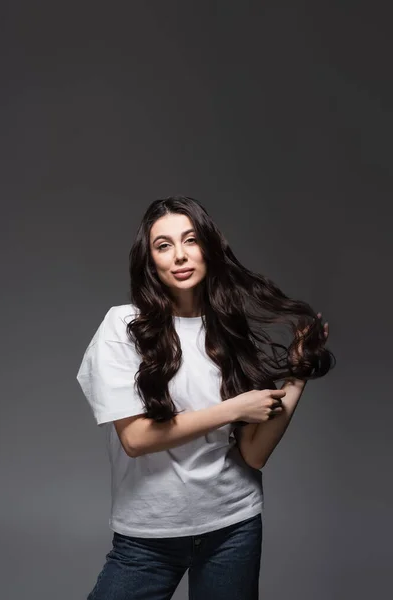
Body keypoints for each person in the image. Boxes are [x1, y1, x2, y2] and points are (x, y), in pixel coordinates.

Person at [76, 195, 333, 600]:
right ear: (151, 260)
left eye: (190, 240)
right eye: (164, 246)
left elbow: (254, 455)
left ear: (208, 248)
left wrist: (297, 376)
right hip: (149, 535)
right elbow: (136, 439)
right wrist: (232, 409)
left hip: (234, 527)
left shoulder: (229, 332)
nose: (179, 255)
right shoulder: (124, 325)